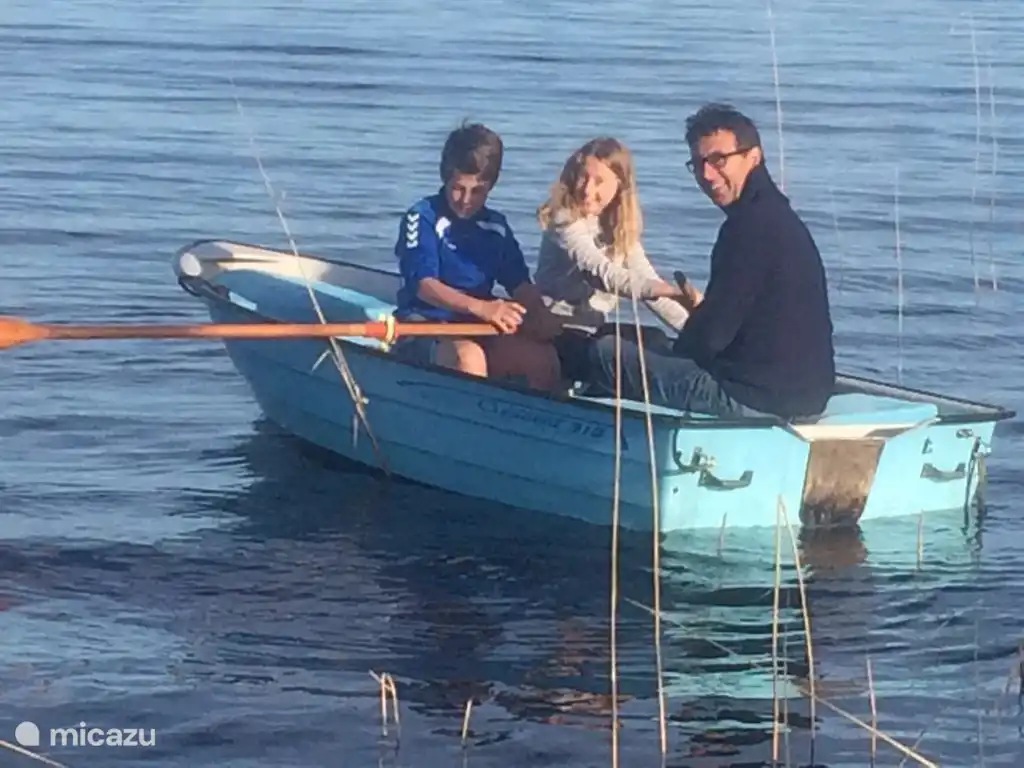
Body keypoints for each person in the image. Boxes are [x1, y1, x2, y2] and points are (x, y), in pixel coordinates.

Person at [583, 103, 836, 420]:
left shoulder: (747, 229)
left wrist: (679, 353)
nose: (706, 174)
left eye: (718, 160)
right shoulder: (781, 218)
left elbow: (710, 337)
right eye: (698, 163)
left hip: (753, 398)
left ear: (753, 157)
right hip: (810, 395)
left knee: (606, 352)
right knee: (650, 341)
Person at [391, 121, 563, 391]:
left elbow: (520, 285)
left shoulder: (496, 226)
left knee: (541, 360)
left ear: (491, 186)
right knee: (468, 359)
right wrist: (483, 308)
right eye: (458, 188)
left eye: (477, 191)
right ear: (445, 177)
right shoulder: (421, 217)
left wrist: (540, 315)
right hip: (423, 323)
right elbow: (424, 285)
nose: (466, 200)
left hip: (476, 325)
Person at [532, 136, 697, 381]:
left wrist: (696, 329)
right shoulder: (564, 220)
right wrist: (670, 291)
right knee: (617, 352)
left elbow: (649, 284)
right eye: (583, 177)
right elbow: (603, 273)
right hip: (556, 332)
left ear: (619, 185)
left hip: (592, 329)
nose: (588, 190)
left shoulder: (619, 229)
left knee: (657, 340)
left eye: (599, 182)